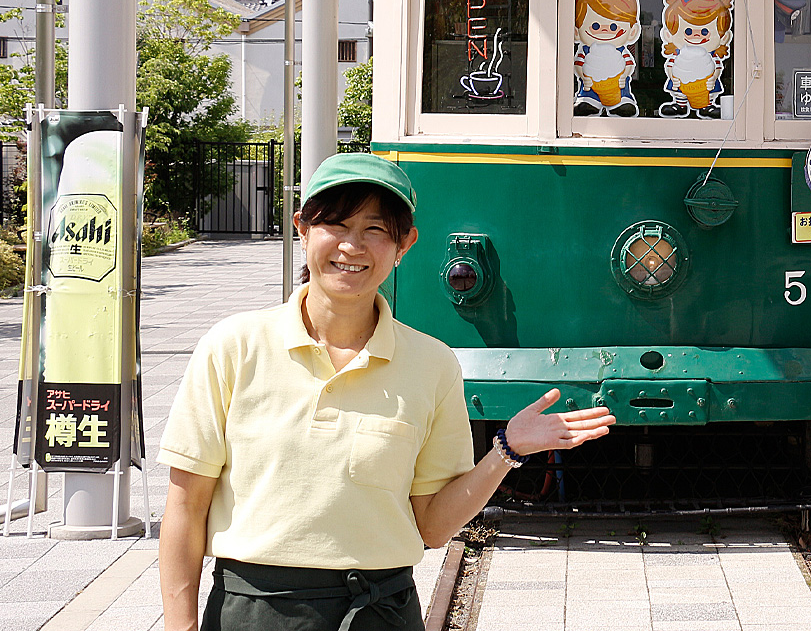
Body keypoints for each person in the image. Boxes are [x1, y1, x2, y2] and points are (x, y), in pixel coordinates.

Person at [158, 152, 615, 631]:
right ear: (302, 228)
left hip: (380, 612)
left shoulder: (432, 364)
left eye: (376, 230)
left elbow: (434, 527)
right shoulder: (234, 347)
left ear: (406, 244)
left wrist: (507, 450)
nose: (352, 247)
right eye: (335, 224)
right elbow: (185, 508)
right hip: (254, 612)